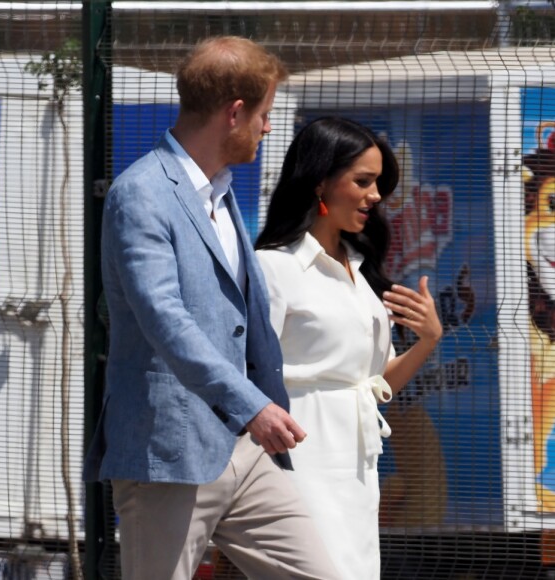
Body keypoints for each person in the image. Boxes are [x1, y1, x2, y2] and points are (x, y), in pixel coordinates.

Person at [83, 38, 341, 580]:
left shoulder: (218, 191)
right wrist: (251, 404)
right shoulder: (142, 193)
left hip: (242, 451)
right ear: (235, 112)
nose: (269, 128)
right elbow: (165, 320)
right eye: (265, 115)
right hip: (169, 454)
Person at [255, 116, 443, 580]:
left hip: (358, 461)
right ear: (320, 181)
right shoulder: (273, 267)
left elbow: (373, 386)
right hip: (298, 454)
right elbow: (247, 373)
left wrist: (429, 340)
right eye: (363, 181)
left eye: (379, 183)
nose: (376, 196)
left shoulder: (361, 273)